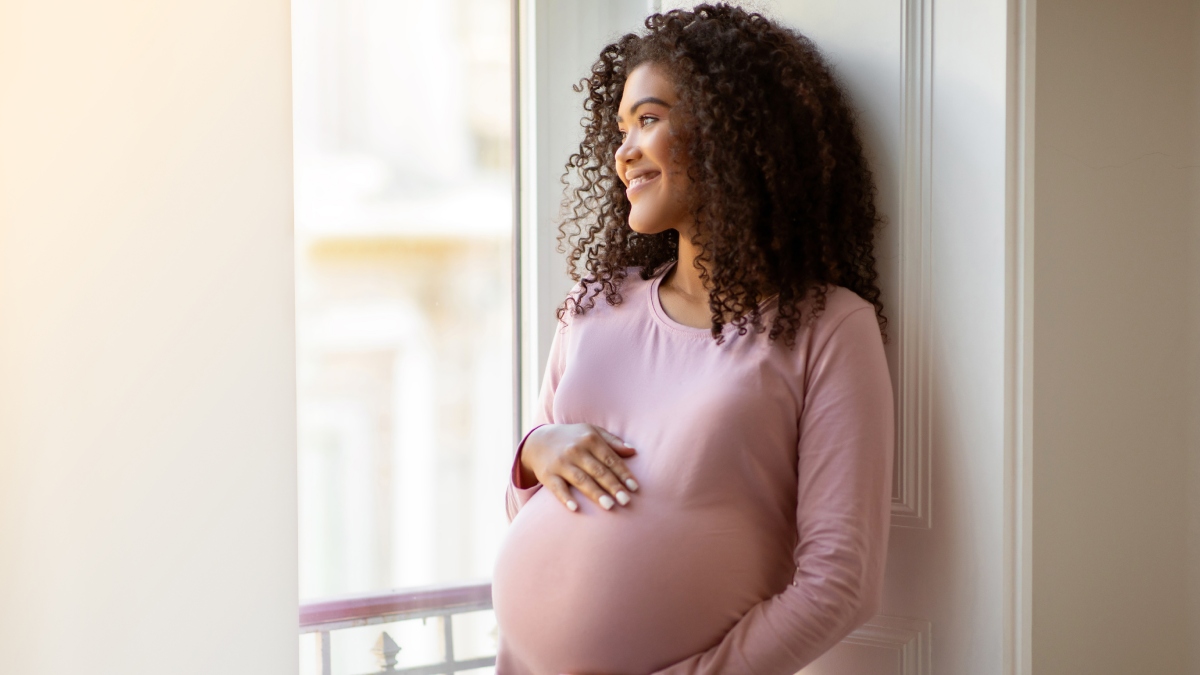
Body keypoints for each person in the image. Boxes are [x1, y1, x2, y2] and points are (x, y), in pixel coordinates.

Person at [491, 4, 895, 674]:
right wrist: (537, 450)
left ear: (730, 129)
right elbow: (523, 504)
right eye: (619, 128)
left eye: (648, 119)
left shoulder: (827, 329)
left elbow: (840, 582)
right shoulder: (593, 305)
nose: (622, 152)